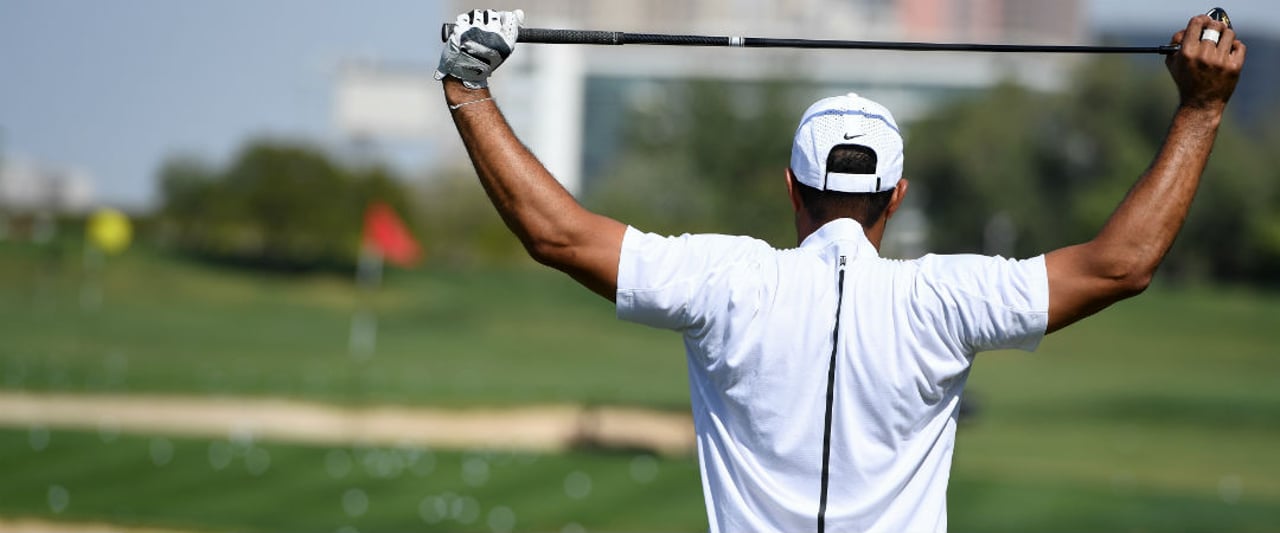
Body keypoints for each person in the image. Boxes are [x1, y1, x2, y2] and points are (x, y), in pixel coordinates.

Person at [435, 9, 1245, 533]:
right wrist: (1200, 108)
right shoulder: (941, 299)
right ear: (898, 193)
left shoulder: (728, 279)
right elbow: (1122, 264)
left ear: (790, 188)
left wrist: (469, 87)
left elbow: (559, 236)